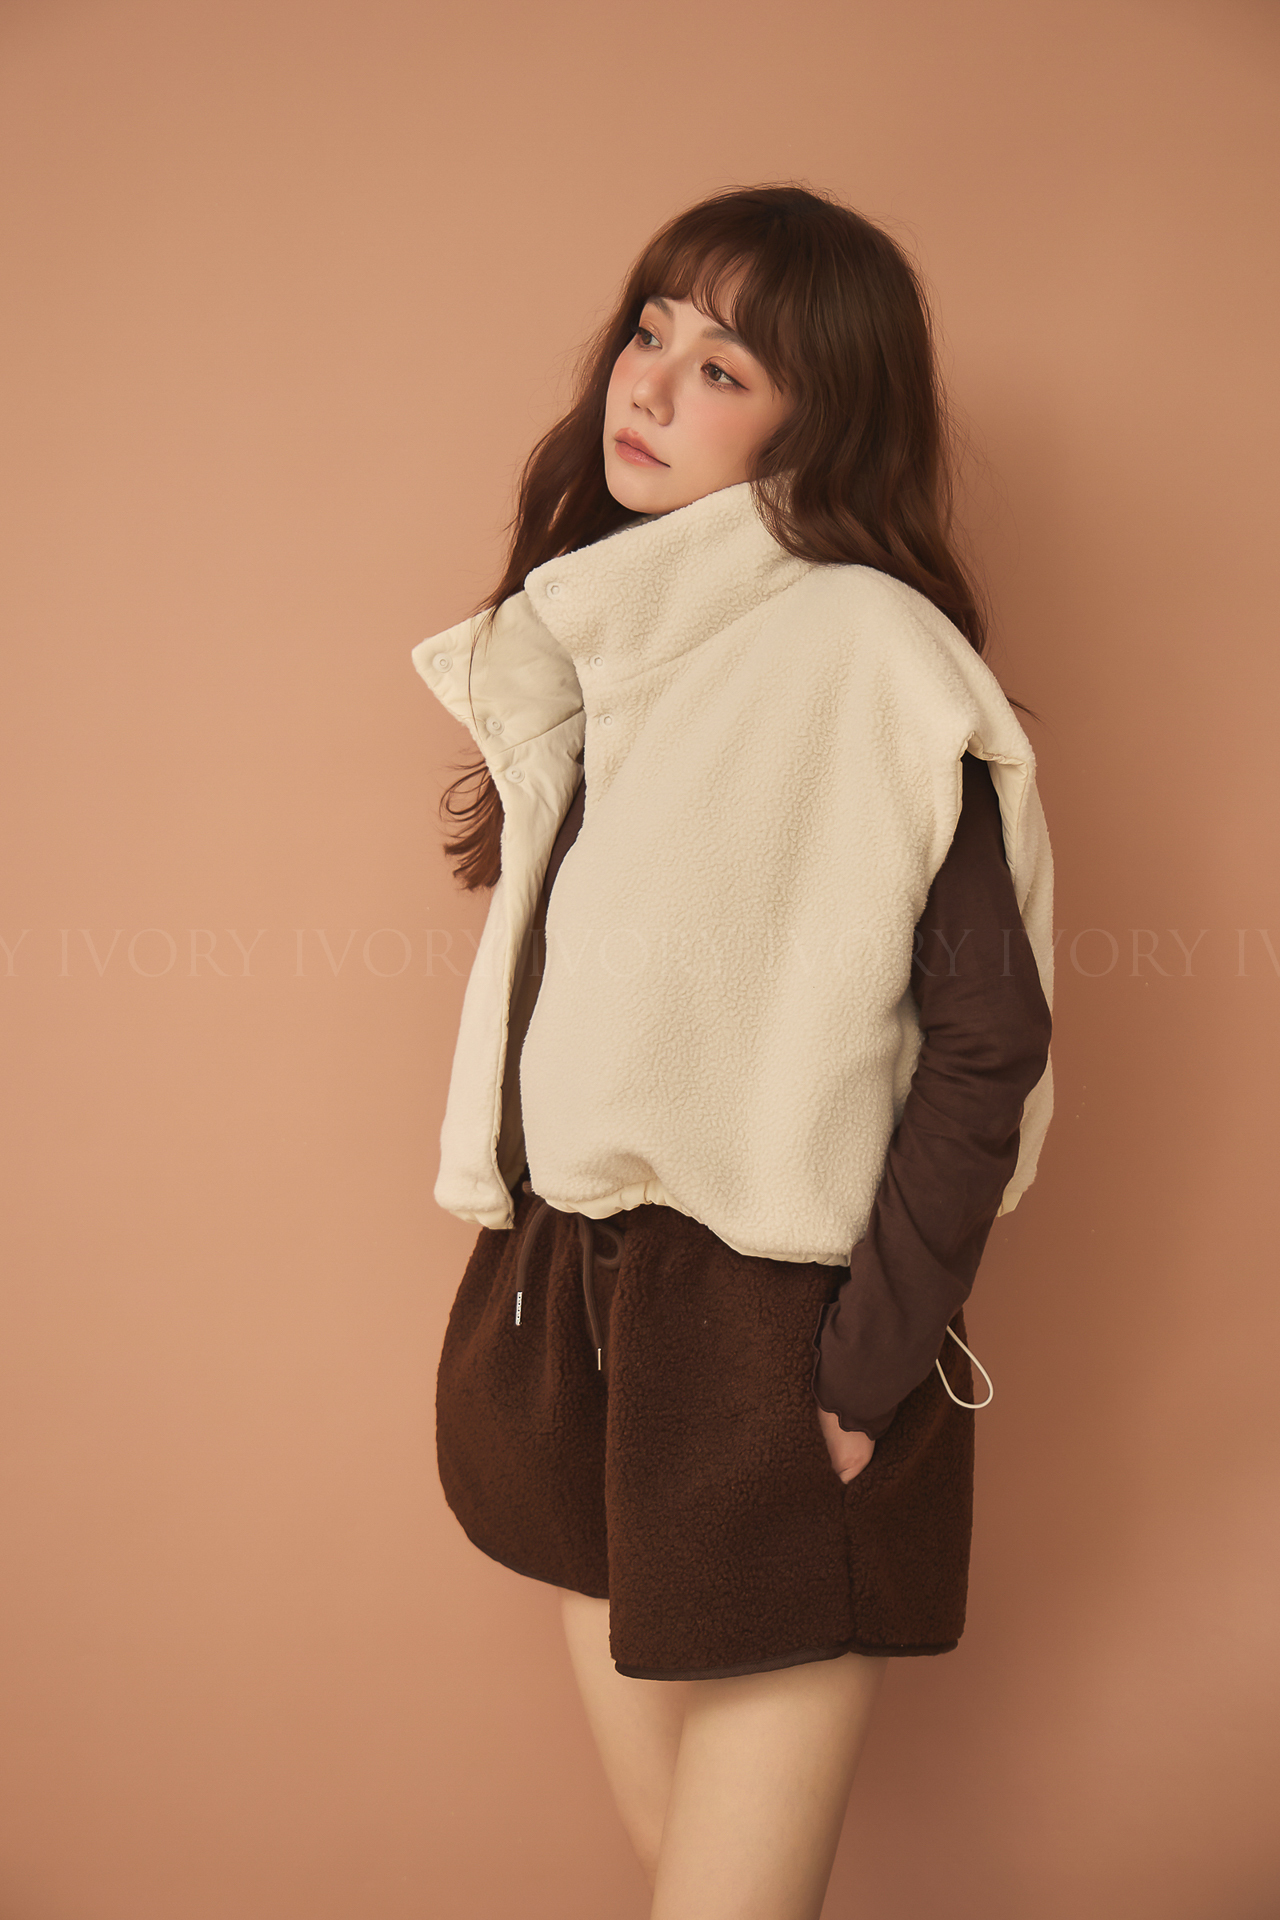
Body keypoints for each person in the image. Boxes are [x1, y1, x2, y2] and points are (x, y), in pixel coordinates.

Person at [411, 184, 1054, 1920]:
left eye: (724, 366)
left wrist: (860, 1374)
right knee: (681, 1887)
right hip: (575, 1310)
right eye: (652, 332)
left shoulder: (869, 652)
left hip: (779, 1332)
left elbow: (987, 1049)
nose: (650, 382)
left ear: (815, 420)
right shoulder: (623, 642)